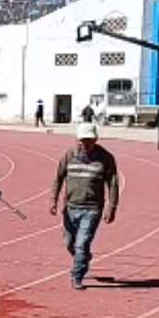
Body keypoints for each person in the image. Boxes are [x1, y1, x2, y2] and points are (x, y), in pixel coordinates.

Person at [49, 123, 120, 290]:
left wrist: (112, 208)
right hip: (70, 207)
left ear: (96, 139)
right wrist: (53, 200)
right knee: (69, 243)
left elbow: (113, 184)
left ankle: (77, 275)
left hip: (92, 208)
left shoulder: (106, 158)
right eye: (82, 141)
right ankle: (83, 257)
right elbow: (58, 178)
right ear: (77, 140)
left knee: (82, 243)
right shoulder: (68, 155)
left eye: (89, 141)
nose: (86, 144)